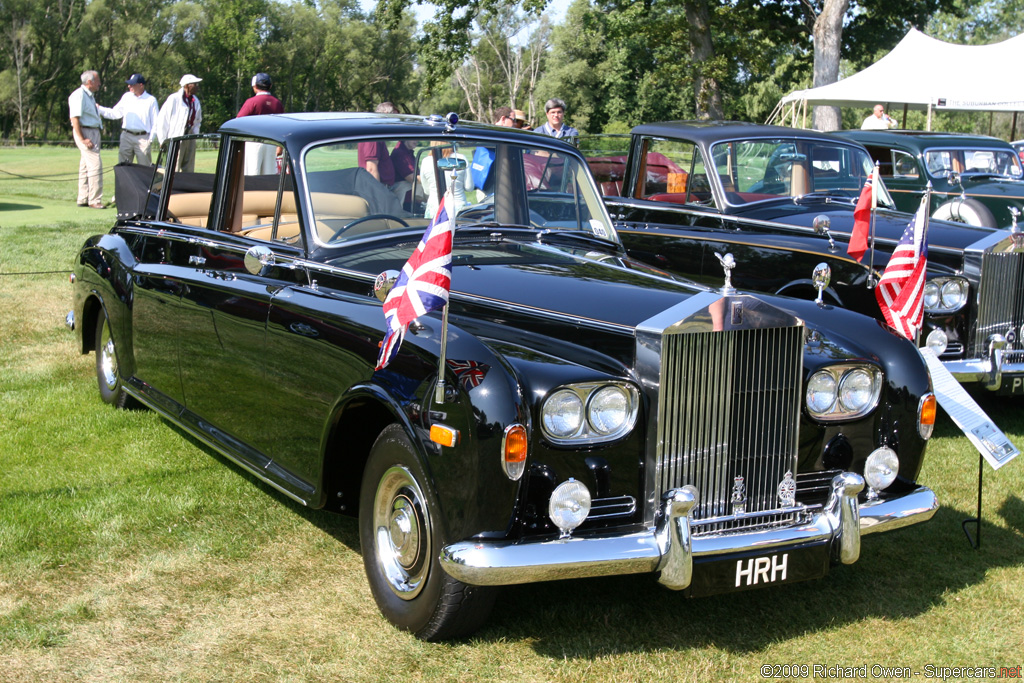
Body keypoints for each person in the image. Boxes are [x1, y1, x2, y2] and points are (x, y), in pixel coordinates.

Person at [68, 70, 122, 208]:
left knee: (85, 166)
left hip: (92, 131)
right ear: (90, 82)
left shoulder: (89, 96)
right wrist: (83, 138)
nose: (99, 84)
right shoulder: (78, 95)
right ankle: (95, 200)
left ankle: (83, 198)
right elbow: (74, 119)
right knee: (95, 165)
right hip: (85, 131)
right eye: (97, 81)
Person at [153, 74, 203, 172]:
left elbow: (197, 121)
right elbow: (163, 120)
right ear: (186, 86)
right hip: (176, 137)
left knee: (189, 168)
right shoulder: (174, 99)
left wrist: (195, 135)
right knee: (173, 167)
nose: (197, 86)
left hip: (190, 136)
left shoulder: (195, 101)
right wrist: (163, 140)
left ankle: (187, 186)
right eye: (195, 84)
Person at [237, 72, 284, 174]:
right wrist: (280, 146)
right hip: (272, 142)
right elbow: (282, 126)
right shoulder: (277, 103)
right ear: (270, 86)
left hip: (254, 142)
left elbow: (238, 121)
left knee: (253, 173)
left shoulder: (252, 101)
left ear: (254, 86)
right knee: (269, 174)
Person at [114, 73, 159, 166]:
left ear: (141, 85)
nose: (129, 86)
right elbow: (115, 113)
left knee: (145, 169)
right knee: (123, 168)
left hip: (143, 138)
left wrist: (150, 140)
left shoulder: (151, 100)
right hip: (126, 136)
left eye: (132, 84)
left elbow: (156, 122)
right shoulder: (127, 96)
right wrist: (99, 109)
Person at [420, 140, 473, 219]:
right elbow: (469, 187)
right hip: (457, 208)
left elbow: (426, 190)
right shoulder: (461, 158)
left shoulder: (426, 161)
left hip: (434, 208)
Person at [470, 107, 514, 193]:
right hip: (490, 188)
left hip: (486, 185)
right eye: (513, 120)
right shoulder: (493, 135)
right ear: (503, 119)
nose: (515, 124)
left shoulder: (487, 133)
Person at [358, 102, 399, 187]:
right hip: (381, 187)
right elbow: (371, 169)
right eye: (395, 118)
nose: (396, 122)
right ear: (386, 114)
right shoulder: (373, 136)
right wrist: (379, 194)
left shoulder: (376, 133)